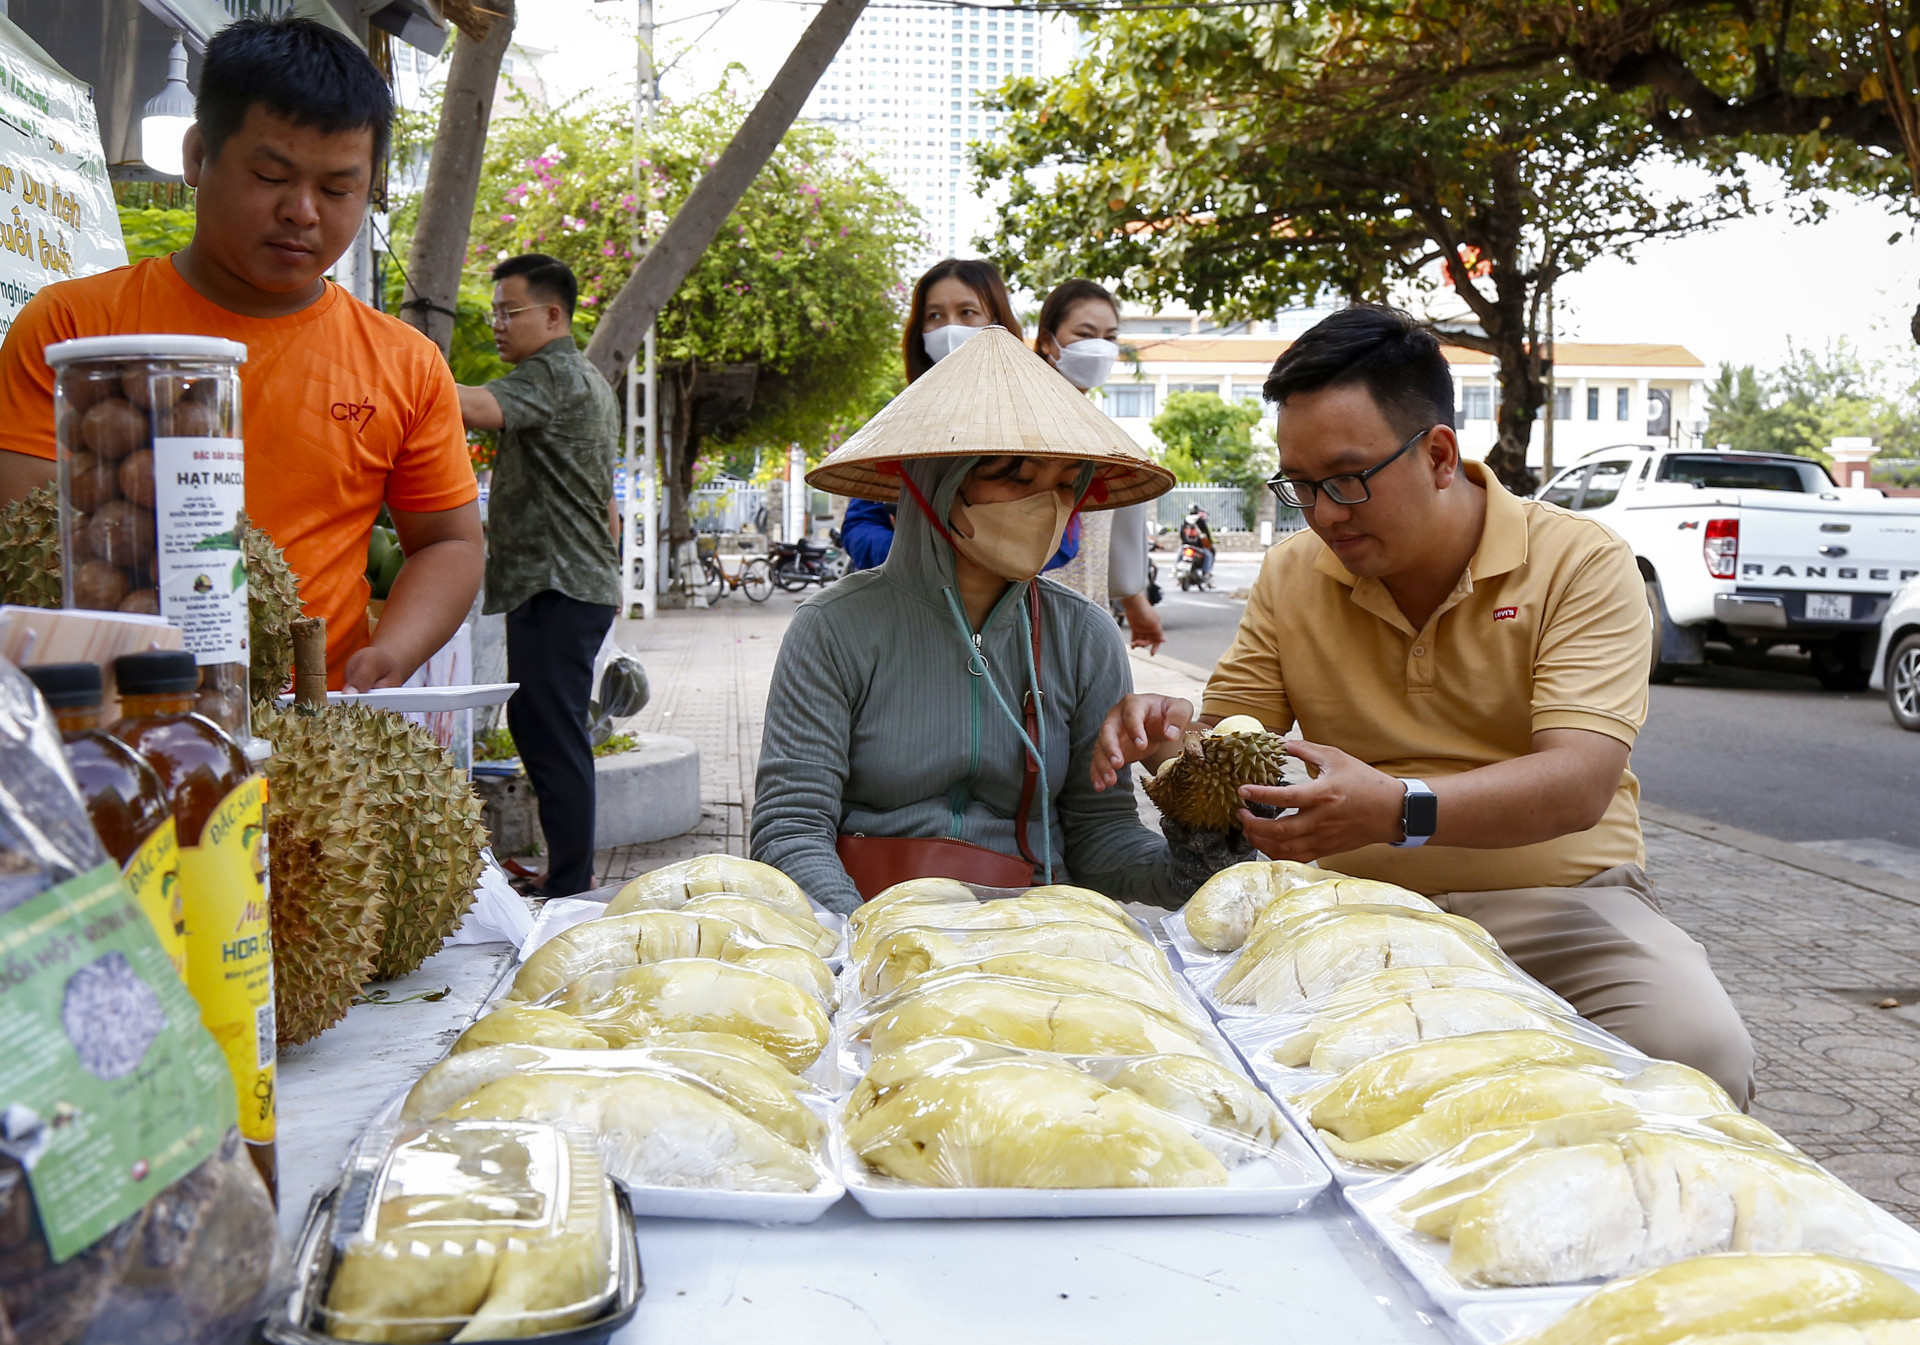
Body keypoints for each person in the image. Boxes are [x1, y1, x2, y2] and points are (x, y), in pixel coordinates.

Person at [1090, 304, 1755, 1103]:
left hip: (1560, 906)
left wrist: (1399, 808)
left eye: (1346, 479)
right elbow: (1232, 740)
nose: (1324, 512)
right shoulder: (1293, 572)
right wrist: (1169, 737)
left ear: (1438, 454)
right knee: (1208, 1071)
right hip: (1344, 910)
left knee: (1700, 1055)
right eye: (1299, 485)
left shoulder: (1581, 562)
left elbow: (1580, 780)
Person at [0, 18, 481, 693]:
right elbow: (30, 543)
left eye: (339, 189)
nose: (302, 212)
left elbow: (450, 542)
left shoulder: (406, 362)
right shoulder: (75, 331)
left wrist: (392, 652)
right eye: (269, 175)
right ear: (198, 156)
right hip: (109, 721)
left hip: (313, 731)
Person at [752, 326, 1196, 915]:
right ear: (940, 481)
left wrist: (1199, 822)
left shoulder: (1085, 635)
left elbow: (1100, 836)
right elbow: (790, 829)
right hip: (862, 930)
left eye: (1066, 484)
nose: (1047, 505)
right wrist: (865, 943)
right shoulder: (832, 627)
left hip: (1028, 935)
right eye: (1015, 477)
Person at [456, 255, 620, 897]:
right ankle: (565, 874)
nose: (498, 323)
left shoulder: (551, 372)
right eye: (494, 311)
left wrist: (395, 363)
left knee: (552, 738)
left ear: (553, 315)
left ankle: (571, 885)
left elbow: (476, 406)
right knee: (544, 729)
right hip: (565, 583)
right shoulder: (584, 378)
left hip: (557, 584)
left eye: (508, 311)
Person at [840, 259, 1078, 573]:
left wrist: (961, 560)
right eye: (935, 315)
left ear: (996, 320)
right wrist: (917, 555)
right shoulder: (898, 418)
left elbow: (1065, 540)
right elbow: (859, 527)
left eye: (967, 313)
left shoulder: (1037, 418)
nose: (950, 328)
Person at [1033, 278, 1164, 652]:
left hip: (1091, 628)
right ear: (1047, 341)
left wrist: (1136, 605)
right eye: (1085, 334)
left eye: (1110, 338)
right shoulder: (1019, 427)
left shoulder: (1104, 434)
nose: (1099, 348)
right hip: (1028, 627)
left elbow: (1108, 539)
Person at [1179, 502, 1216, 581]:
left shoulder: (1185, 520)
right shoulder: (1200, 521)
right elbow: (1207, 533)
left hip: (1186, 545)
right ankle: (1206, 572)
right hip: (1198, 547)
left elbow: (1181, 533)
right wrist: (1210, 541)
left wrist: (1184, 542)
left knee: (1179, 554)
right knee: (1209, 556)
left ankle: (1175, 569)